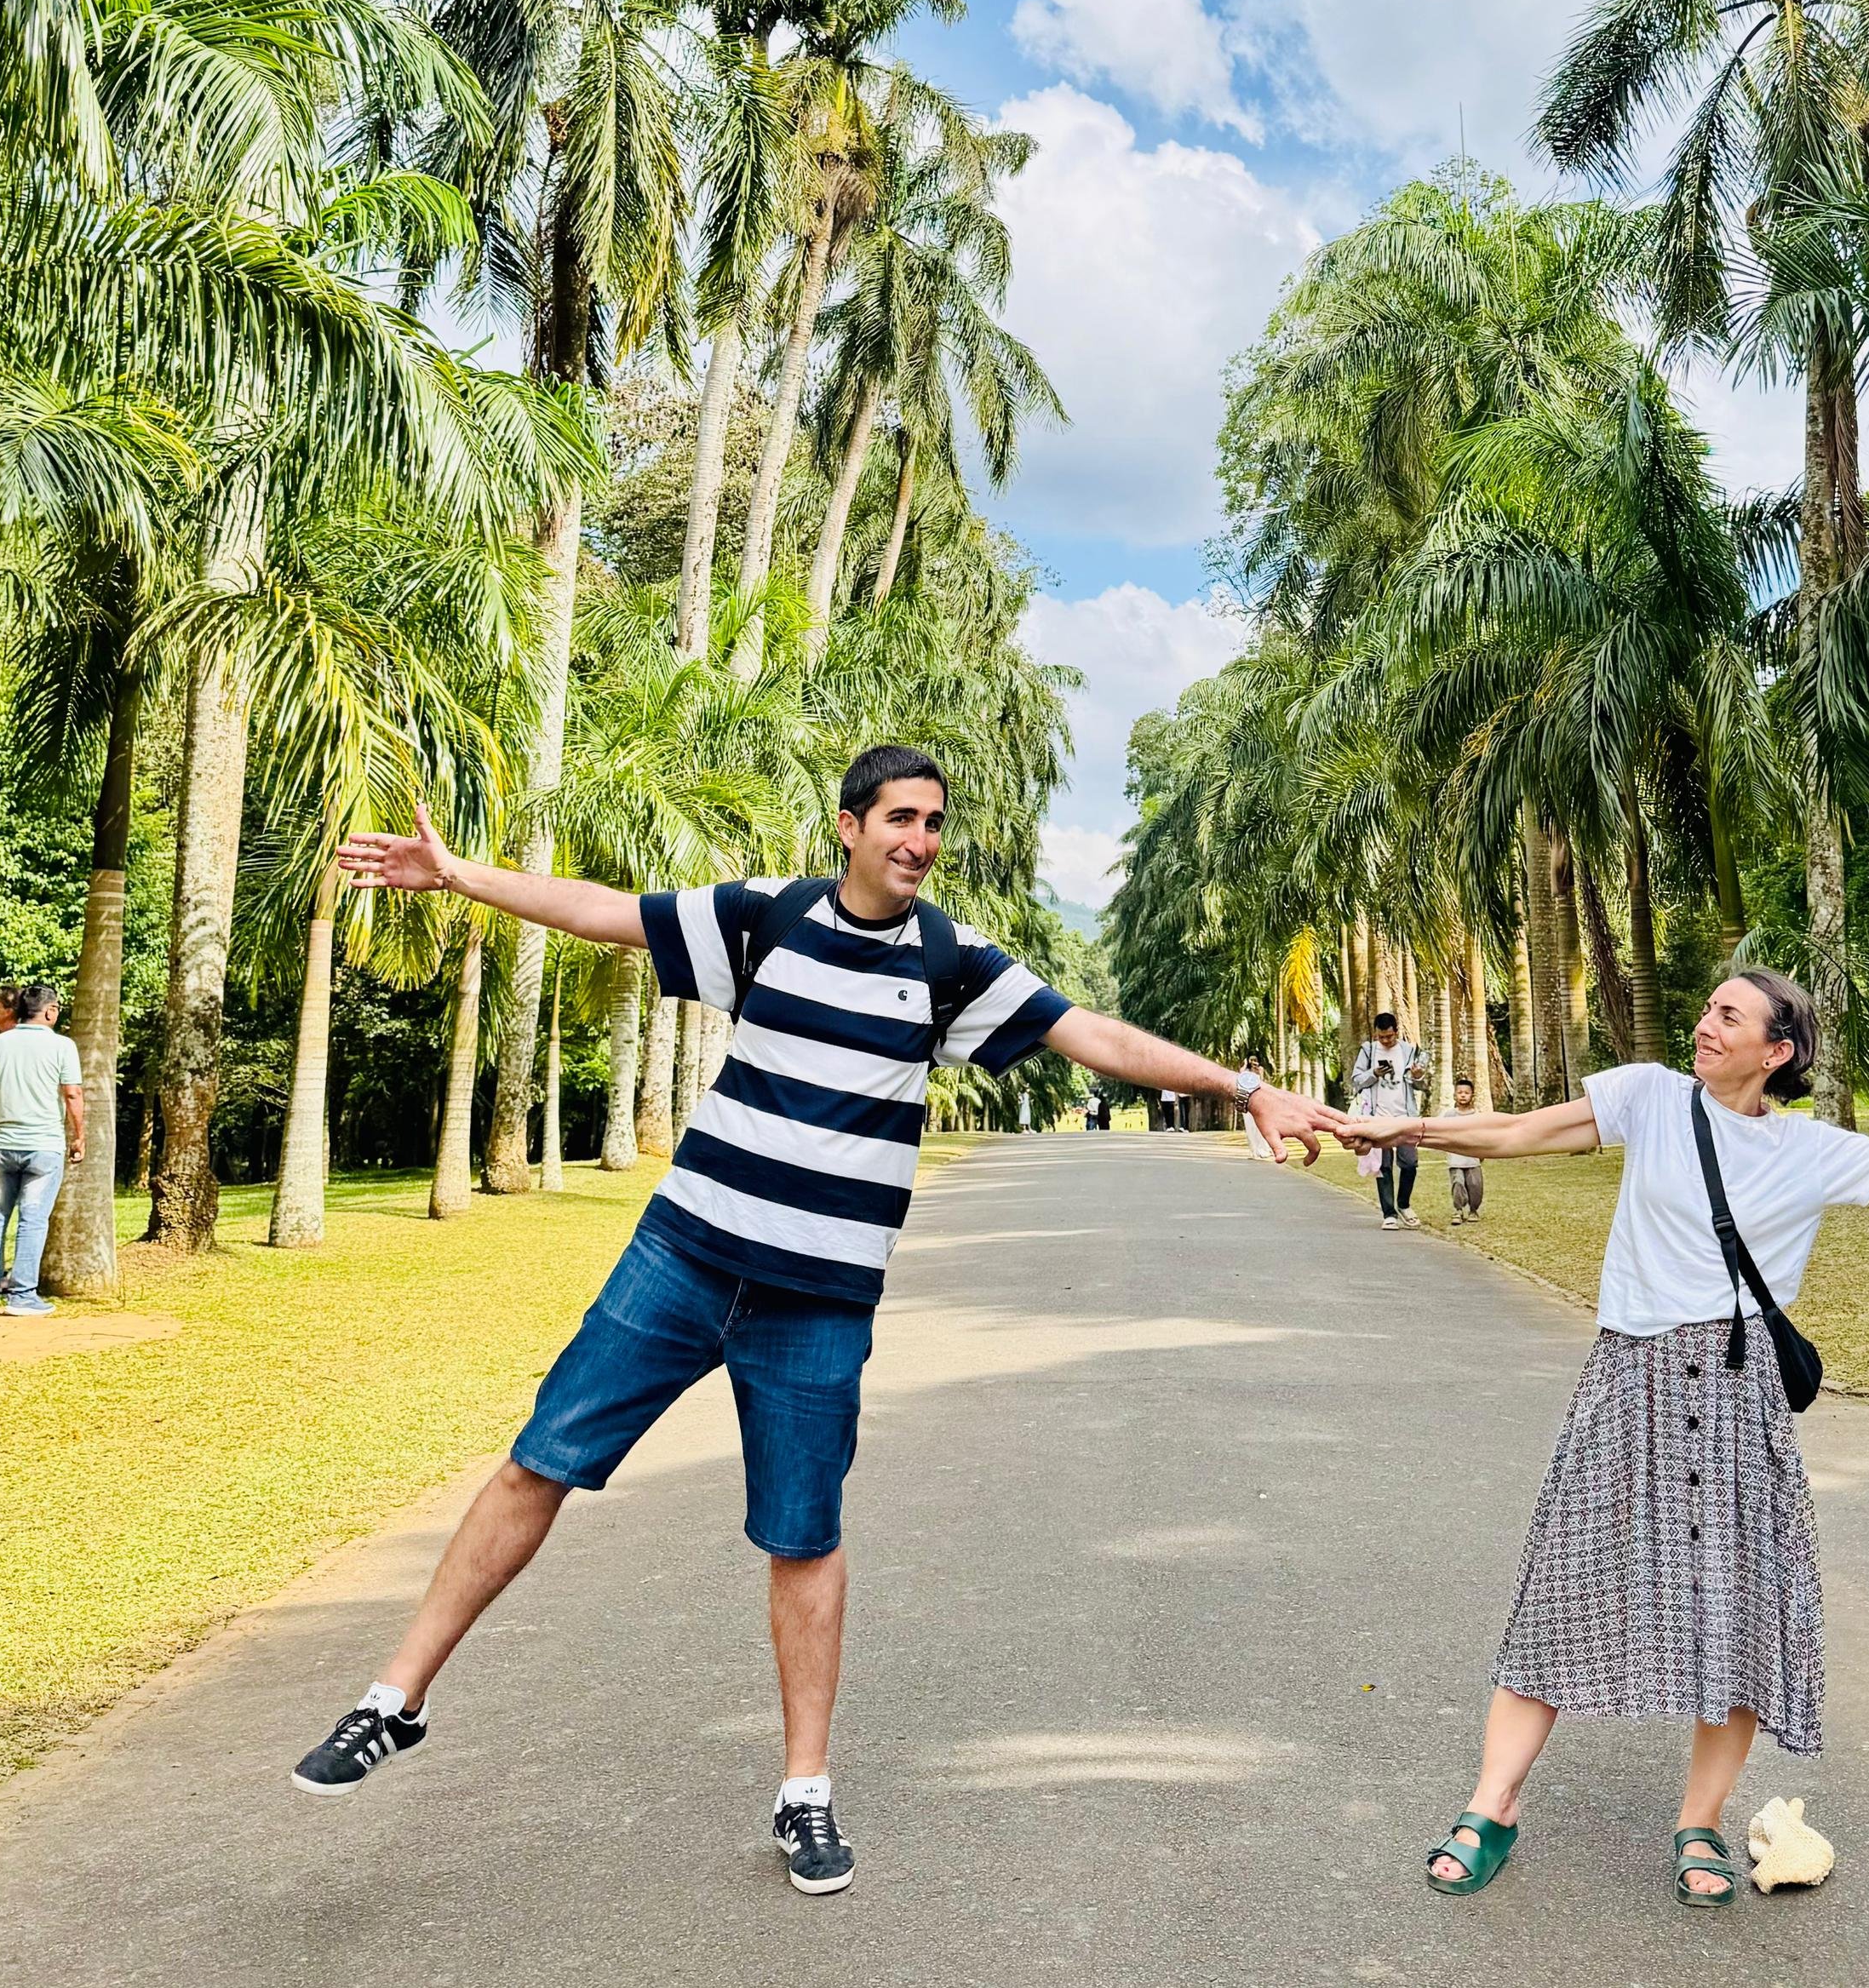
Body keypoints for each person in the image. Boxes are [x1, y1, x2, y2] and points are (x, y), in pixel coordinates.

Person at [291, 744, 1338, 1892]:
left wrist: (1244, 1088)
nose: (921, 841)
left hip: (819, 1301)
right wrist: (463, 876)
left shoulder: (951, 964)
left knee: (804, 1533)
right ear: (848, 826)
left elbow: (1095, 1037)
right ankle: (393, 1700)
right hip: (682, 1257)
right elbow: (602, 914)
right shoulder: (765, 919)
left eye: (936, 823)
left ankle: (805, 1793)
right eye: (900, 818)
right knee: (540, 1462)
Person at [1342, 968, 1869, 1909]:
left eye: (1727, 1015)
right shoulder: (1652, 1098)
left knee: (1738, 1611)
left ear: (1776, 1049)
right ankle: (1490, 1806)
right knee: (1562, 1587)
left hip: (1741, 1401)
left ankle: (1698, 1821)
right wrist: (1401, 1126)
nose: (1704, 1024)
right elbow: (1520, 1131)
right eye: (1706, 1008)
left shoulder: (1809, 1151)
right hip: (1630, 1380)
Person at [0, 983, 84, 1315]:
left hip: (2, 1146)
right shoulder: (63, 1046)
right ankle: (22, 1297)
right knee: (32, 1220)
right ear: (49, 1011)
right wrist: (80, 1136)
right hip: (44, 1147)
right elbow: (73, 1094)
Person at [1346, 1009, 1427, 1227]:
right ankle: (1389, 1214)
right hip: (1378, 1118)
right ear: (1376, 1034)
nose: (1385, 1040)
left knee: (1410, 1164)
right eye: (1381, 1037)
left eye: (1389, 1036)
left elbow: (1418, 1084)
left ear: (1396, 1032)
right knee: (1384, 1167)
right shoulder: (1369, 1050)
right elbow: (1356, 1079)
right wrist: (1375, 1073)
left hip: (1404, 1117)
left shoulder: (1409, 1051)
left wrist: (1418, 1076)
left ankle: (1404, 1204)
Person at [1439, 1074, 1485, 1223]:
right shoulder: (1449, 1115)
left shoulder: (1477, 1116)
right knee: (1457, 1183)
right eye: (1460, 1093)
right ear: (1454, 1095)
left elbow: (1482, 1136)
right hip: (1455, 1159)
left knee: (1475, 1186)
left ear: (1472, 1095)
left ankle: (1473, 1210)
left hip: (1473, 1158)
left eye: (1466, 1093)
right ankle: (1458, 1210)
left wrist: (1482, 1153)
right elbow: (1442, 1133)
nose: (1463, 1096)